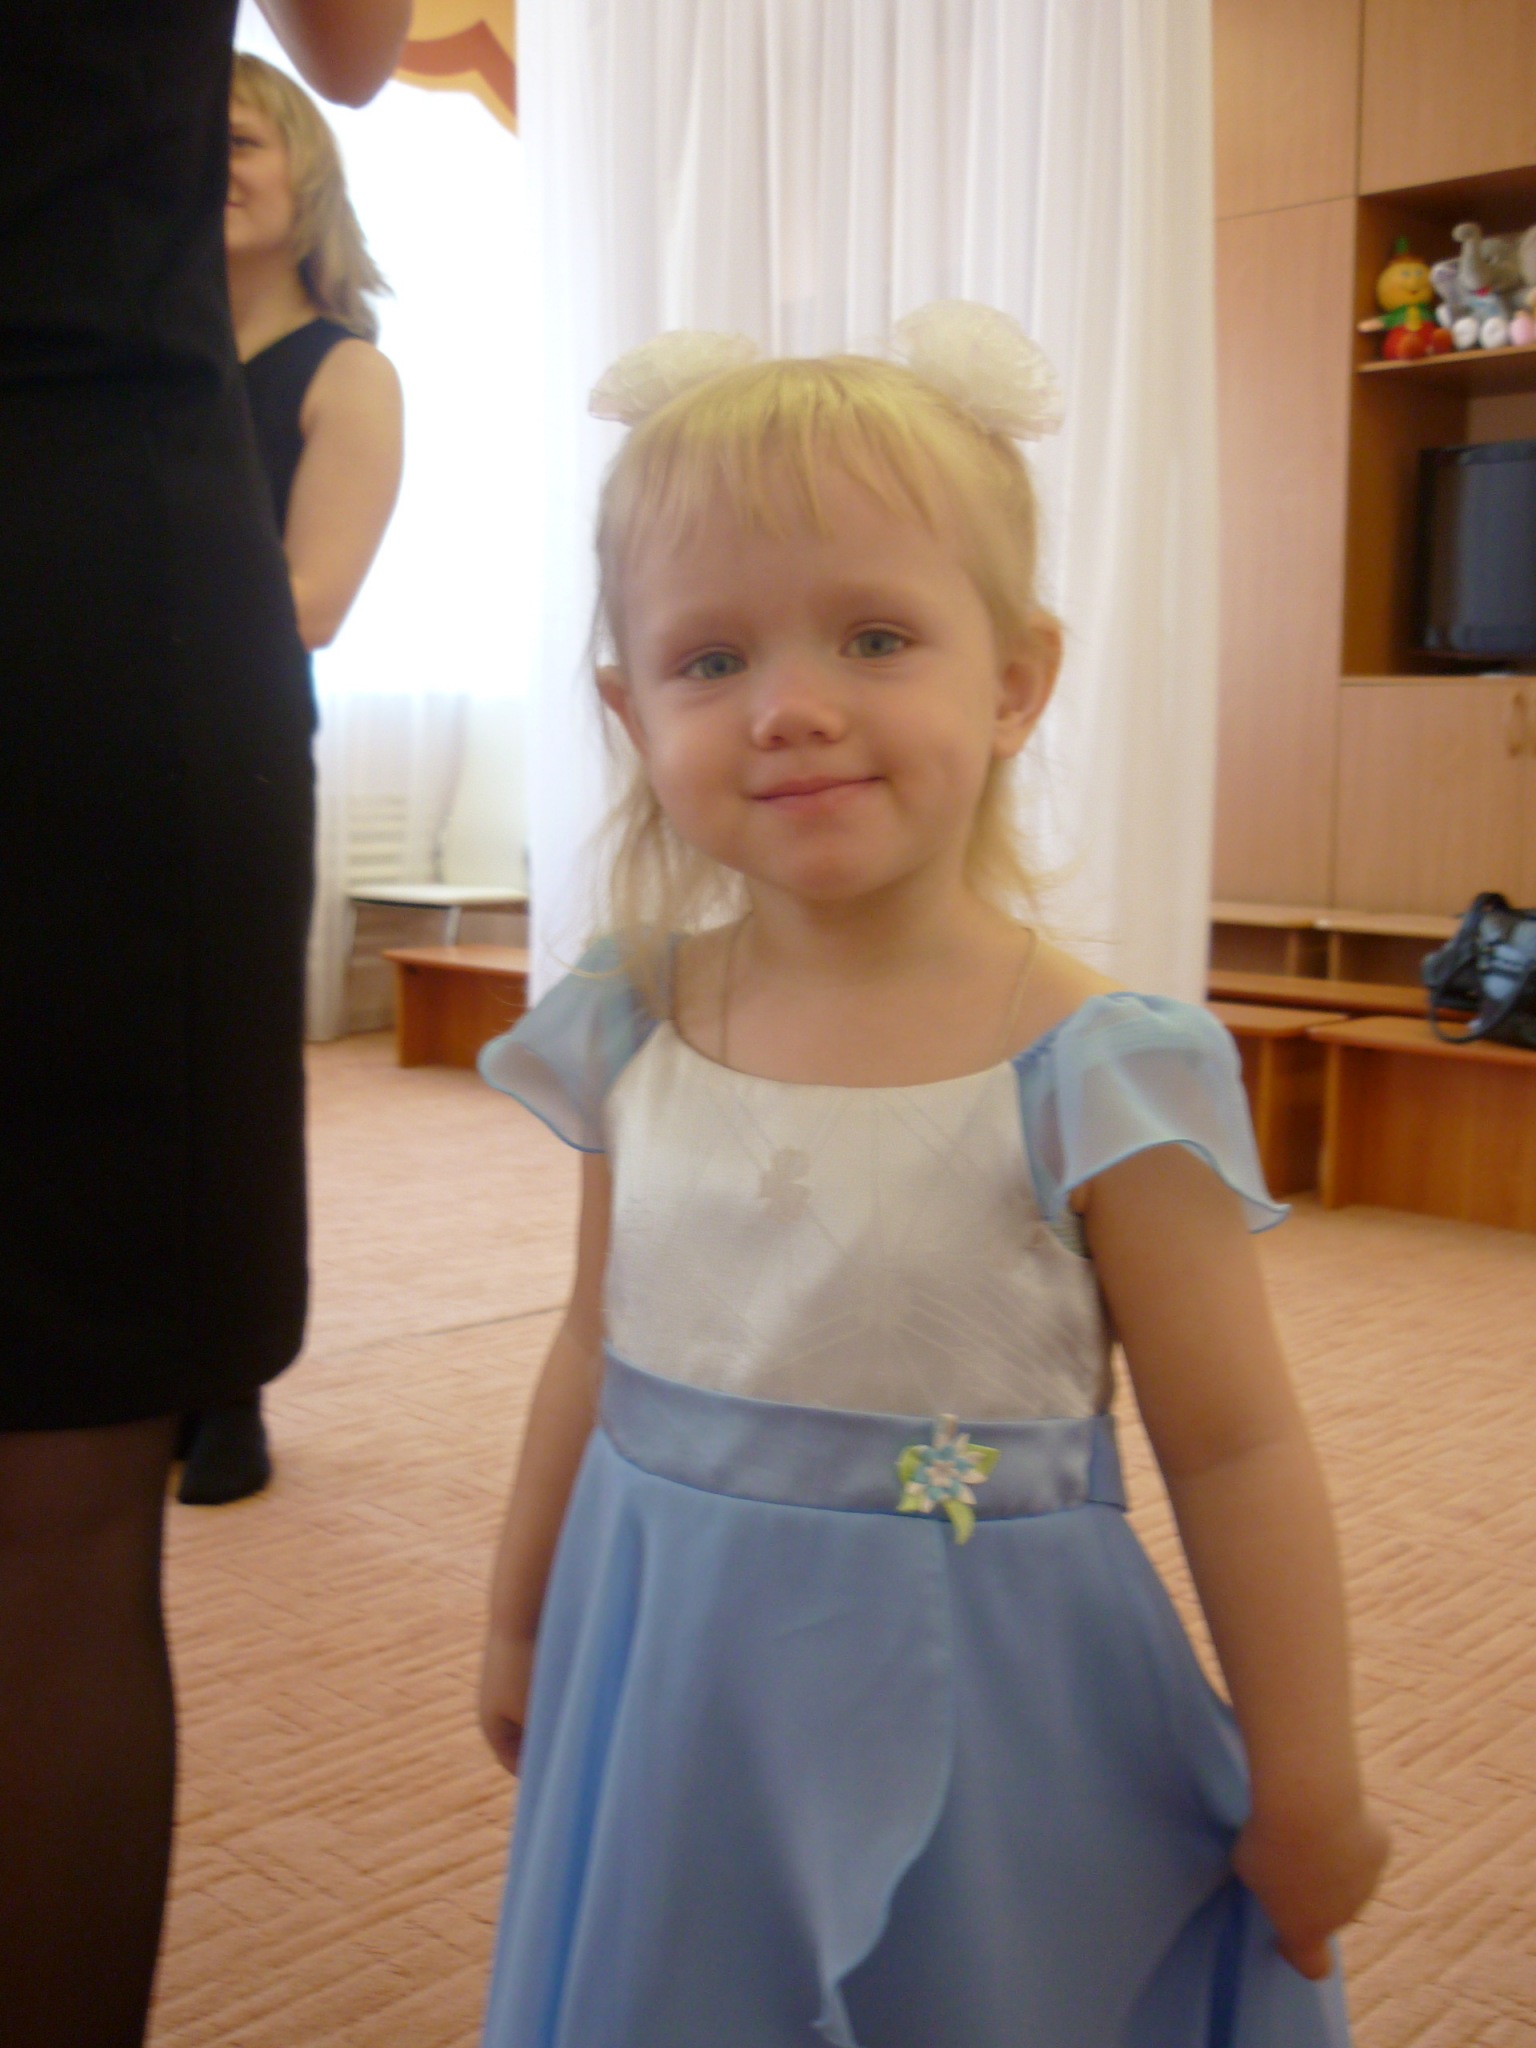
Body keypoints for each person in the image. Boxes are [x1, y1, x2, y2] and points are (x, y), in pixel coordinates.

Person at [473, 306, 1390, 2048]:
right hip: (671, 1671)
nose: (792, 710)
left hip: (996, 1716)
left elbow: (1236, 1445)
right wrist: (521, 1625)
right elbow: (593, 1340)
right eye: (709, 660)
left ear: (1017, 679)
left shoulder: (1100, 1068)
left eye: (877, 637)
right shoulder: (633, 1019)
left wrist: (1311, 1778)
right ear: (628, 708)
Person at [0, 5, 407, 2042]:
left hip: (97, 553)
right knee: (59, 1508)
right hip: (81, 535)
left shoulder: (339, 370)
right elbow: (360, 39)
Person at [177, 50, 403, 1507]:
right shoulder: (125, 370)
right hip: (78, 731)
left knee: (222, 1068)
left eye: (243, 137)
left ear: (305, 174)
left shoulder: (346, 373)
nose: (214, 159)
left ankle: (226, 1383)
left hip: (225, 746)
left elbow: (310, 602)